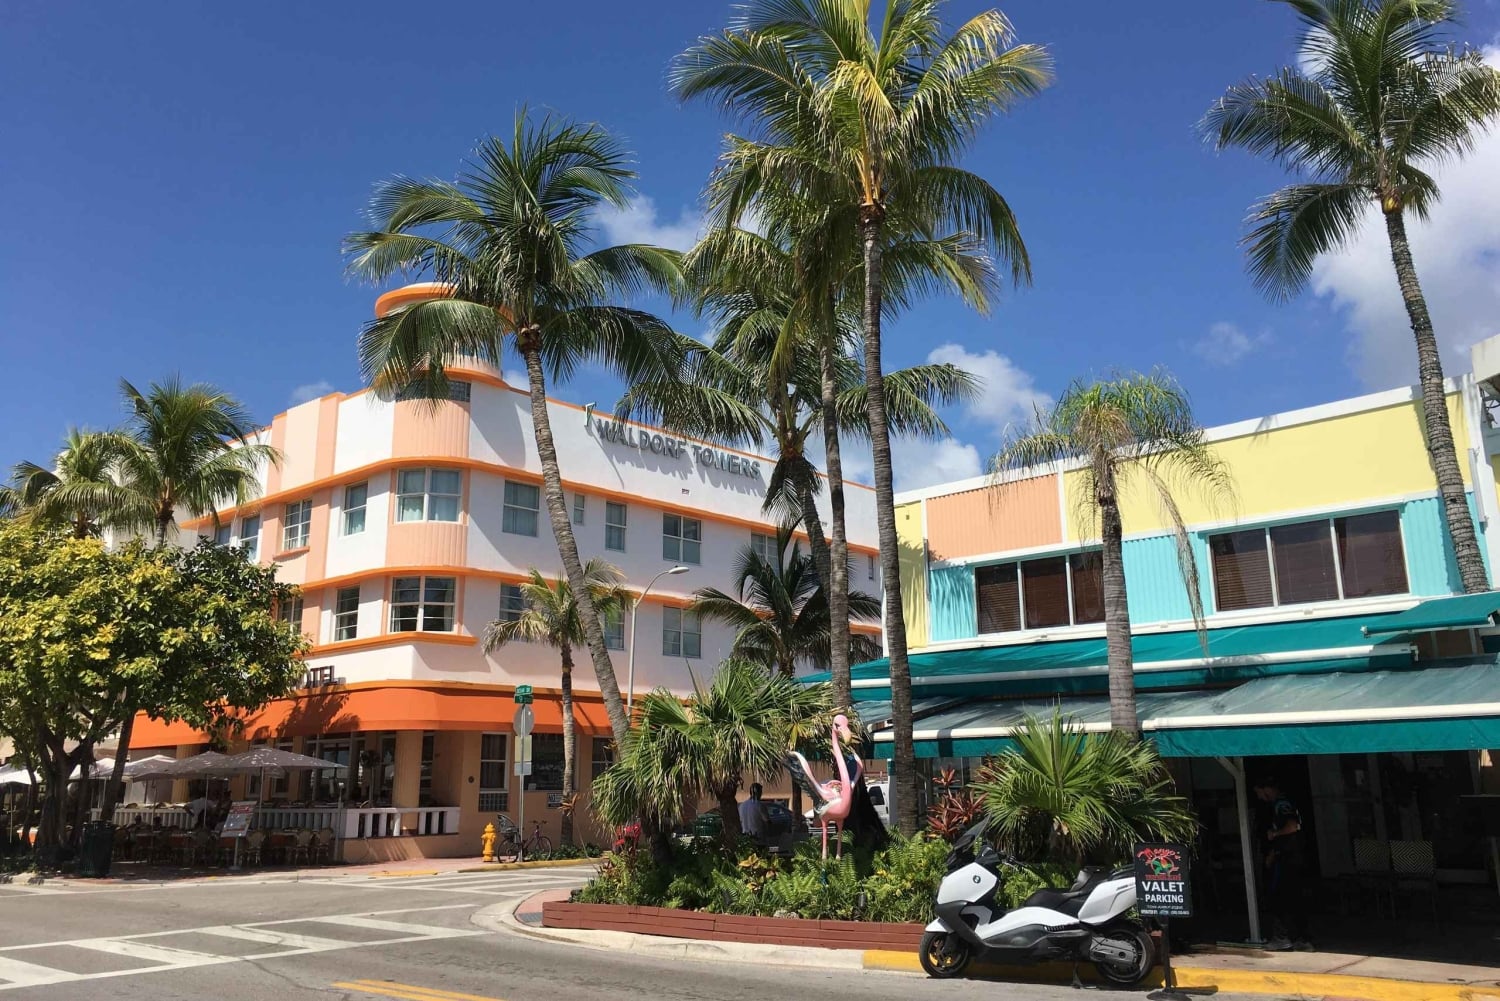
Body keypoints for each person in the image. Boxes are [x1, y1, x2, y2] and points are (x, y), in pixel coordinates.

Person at [1254, 776, 1313, 951]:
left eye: (1259, 793)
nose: (1259, 798)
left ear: (1266, 789)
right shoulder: (1281, 804)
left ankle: (1283, 937)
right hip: (1290, 858)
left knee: (1278, 898)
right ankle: (1302, 938)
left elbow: (1293, 826)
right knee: (1294, 899)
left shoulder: (1282, 805)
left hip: (1287, 860)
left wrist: (1275, 834)